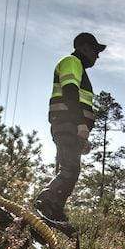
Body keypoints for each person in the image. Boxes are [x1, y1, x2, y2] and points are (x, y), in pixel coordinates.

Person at [34, 32, 105, 223]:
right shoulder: (72, 61)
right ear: (84, 48)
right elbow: (70, 92)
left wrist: (83, 133)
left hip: (69, 125)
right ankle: (45, 204)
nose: (97, 56)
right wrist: (80, 124)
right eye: (95, 51)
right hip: (68, 124)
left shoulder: (78, 67)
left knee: (69, 169)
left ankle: (53, 212)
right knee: (70, 170)